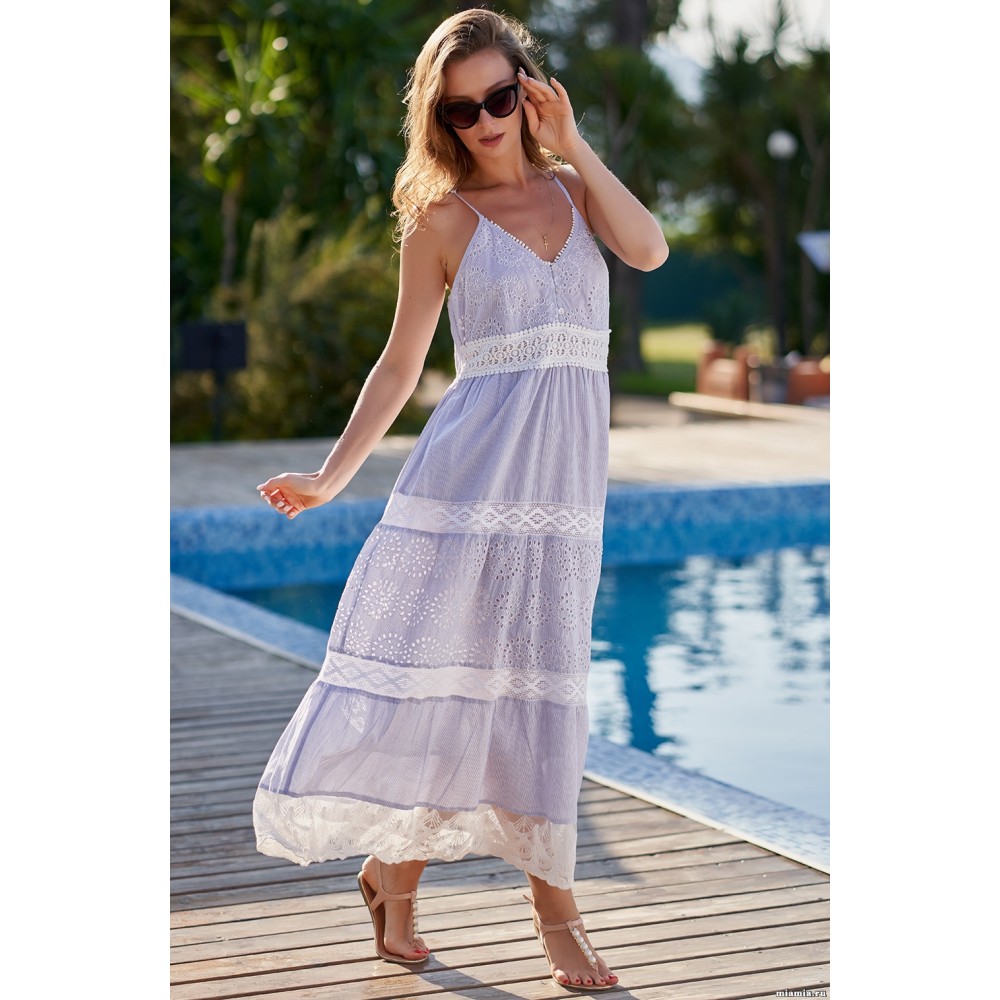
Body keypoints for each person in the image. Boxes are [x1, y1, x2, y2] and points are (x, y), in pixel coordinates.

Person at [253, 7, 668, 992]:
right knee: (450, 688)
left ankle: (397, 883)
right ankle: (536, 913)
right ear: (439, 119)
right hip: (468, 483)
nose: (483, 121)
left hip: (560, 494)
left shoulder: (577, 192)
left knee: (537, 692)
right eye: (460, 109)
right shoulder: (441, 221)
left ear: (530, 91)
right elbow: (399, 366)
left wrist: (573, 145)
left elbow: (650, 250)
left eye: (498, 98)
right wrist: (332, 477)